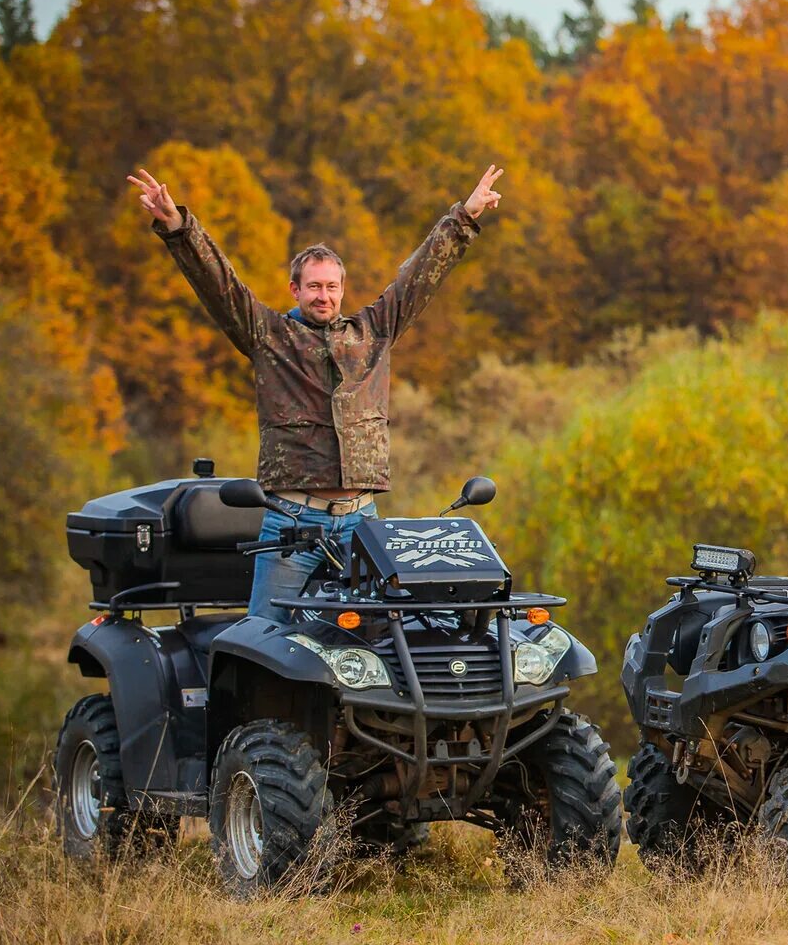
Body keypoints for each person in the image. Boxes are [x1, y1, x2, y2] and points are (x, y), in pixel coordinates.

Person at [126, 164, 506, 621]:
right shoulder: (269, 337)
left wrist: (464, 216)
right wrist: (178, 227)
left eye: (331, 286)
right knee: (262, 637)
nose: (323, 296)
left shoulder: (374, 332)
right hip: (292, 522)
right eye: (313, 287)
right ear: (295, 289)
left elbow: (420, 274)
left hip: (363, 524)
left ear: (343, 289)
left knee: (381, 641)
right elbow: (220, 286)